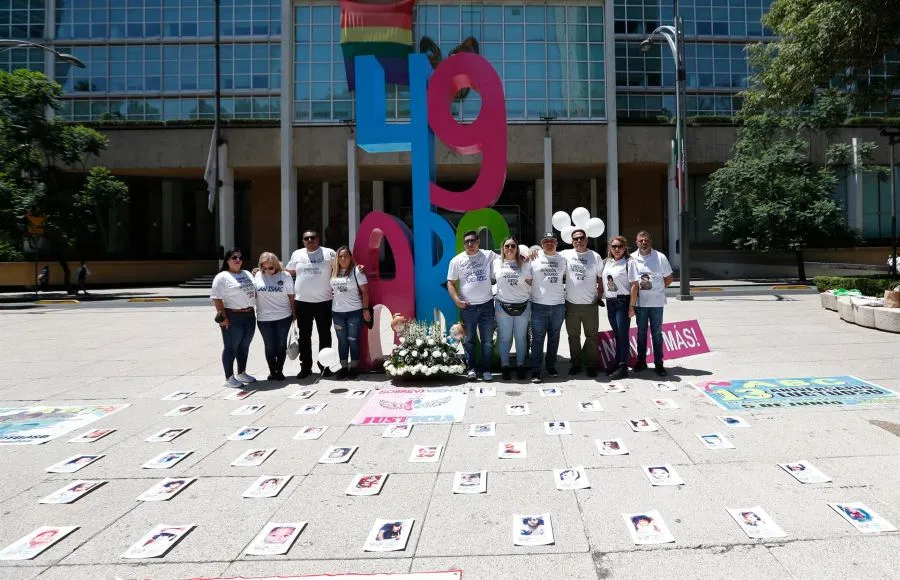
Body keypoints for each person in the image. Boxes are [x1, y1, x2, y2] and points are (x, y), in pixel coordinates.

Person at [285, 230, 337, 379]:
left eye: (312, 237)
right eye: (306, 238)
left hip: (324, 302)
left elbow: (341, 267)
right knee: (304, 336)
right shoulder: (297, 254)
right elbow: (287, 273)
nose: (309, 240)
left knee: (325, 335)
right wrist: (263, 271)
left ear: (318, 239)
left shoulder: (329, 253)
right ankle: (305, 367)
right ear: (303, 241)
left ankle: (325, 367)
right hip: (302, 303)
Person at [447, 230, 497, 381]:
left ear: (478, 242)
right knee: (469, 340)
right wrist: (457, 301)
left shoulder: (488, 255)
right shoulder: (457, 260)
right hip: (468, 308)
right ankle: (471, 369)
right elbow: (450, 282)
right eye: (467, 242)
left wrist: (524, 254)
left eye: (473, 241)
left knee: (487, 341)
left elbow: (508, 257)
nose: (470, 244)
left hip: (487, 305)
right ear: (464, 244)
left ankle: (486, 369)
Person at [211, 247, 257, 388]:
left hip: (249, 314)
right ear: (227, 260)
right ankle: (228, 378)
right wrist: (223, 318)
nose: (238, 260)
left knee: (244, 346)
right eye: (234, 257)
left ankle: (241, 372)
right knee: (231, 347)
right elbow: (217, 298)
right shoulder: (222, 277)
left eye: (240, 257)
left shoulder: (247, 273)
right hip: (233, 315)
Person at [560, 228, 603, 377]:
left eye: (581, 238)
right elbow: (548, 254)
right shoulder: (566, 254)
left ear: (586, 240)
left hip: (590, 304)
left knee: (591, 336)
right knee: (573, 337)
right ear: (572, 241)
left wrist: (599, 296)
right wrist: (531, 253)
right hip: (571, 304)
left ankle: (592, 365)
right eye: (575, 239)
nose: (579, 241)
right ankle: (576, 364)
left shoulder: (595, 256)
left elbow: (601, 278)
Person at [631, 230, 674, 376]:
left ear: (651, 241)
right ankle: (641, 361)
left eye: (646, 240)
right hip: (640, 304)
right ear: (636, 242)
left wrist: (658, 289)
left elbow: (669, 278)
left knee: (657, 334)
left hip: (656, 303)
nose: (644, 243)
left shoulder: (660, 257)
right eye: (641, 240)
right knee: (641, 333)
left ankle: (659, 363)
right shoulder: (632, 258)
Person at [493, 237, 532, 380]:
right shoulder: (496, 263)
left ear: (517, 248)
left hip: (523, 305)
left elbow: (531, 283)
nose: (510, 248)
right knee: (504, 337)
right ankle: (505, 366)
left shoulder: (525, 263)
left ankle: (520, 365)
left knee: (520, 337)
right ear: (503, 248)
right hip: (502, 306)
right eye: (507, 246)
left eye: (513, 246)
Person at [530, 232, 567, 383]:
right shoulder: (534, 257)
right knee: (537, 339)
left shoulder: (563, 258)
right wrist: (529, 251)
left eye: (552, 241)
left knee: (554, 337)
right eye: (546, 241)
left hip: (558, 306)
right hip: (539, 306)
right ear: (541, 243)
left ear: (557, 243)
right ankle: (536, 370)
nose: (549, 243)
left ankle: (551, 366)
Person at [253, 252, 295, 381]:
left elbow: (291, 296)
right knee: (269, 346)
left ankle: (279, 370)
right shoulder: (257, 275)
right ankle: (272, 371)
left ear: (276, 264)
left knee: (281, 345)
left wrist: (294, 313)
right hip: (264, 318)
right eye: (264, 267)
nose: (267, 271)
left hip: (283, 317)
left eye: (270, 267)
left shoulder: (285, 276)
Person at [330, 246, 371, 379]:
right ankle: (343, 367)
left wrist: (365, 309)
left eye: (346, 256)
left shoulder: (357, 271)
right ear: (337, 258)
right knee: (342, 341)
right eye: (340, 256)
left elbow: (365, 291)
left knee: (353, 340)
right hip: (337, 313)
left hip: (354, 312)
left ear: (350, 257)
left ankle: (353, 367)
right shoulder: (333, 271)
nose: (343, 259)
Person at [601, 235, 638, 380]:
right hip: (610, 302)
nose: (617, 249)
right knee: (617, 335)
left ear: (625, 248)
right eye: (614, 246)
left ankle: (623, 367)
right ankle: (618, 363)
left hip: (623, 302)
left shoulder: (629, 262)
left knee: (623, 335)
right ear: (610, 248)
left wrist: (632, 306)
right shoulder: (607, 262)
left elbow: (634, 285)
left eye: (620, 246)